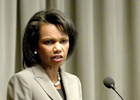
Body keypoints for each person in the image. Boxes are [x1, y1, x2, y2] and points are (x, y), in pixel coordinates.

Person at [7, 9, 82, 100]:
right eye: (49, 42)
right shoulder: (22, 81)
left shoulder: (74, 81)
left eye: (63, 41)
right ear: (35, 46)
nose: (58, 48)